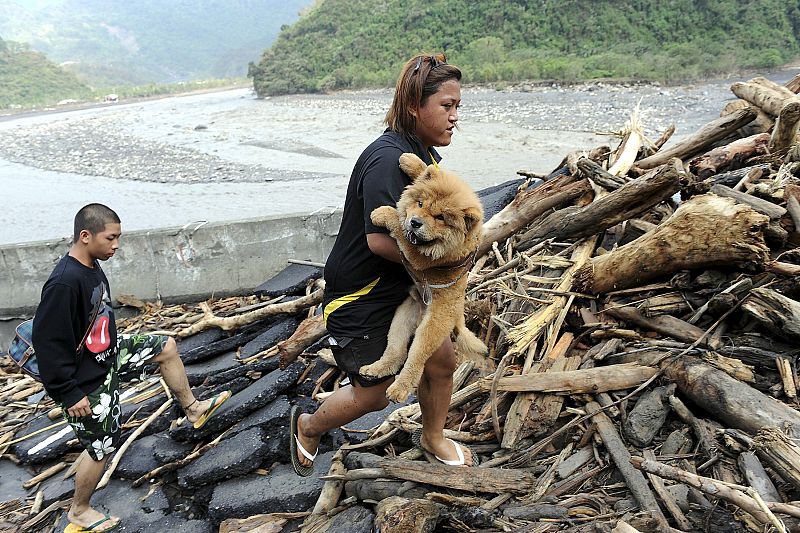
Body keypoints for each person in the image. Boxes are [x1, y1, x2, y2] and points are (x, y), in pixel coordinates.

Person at [290, 52, 475, 476]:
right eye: (446, 107)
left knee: (442, 360)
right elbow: (378, 240)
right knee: (372, 394)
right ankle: (308, 426)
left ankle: (432, 436)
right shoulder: (387, 160)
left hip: (404, 285)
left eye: (457, 107)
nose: (454, 117)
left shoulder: (421, 155)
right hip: (362, 292)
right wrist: (445, 263)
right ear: (414, 106)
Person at [32, 203, 231, 533]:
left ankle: (194, 410)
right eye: (111, 238)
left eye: (118, 237)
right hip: (85, 378)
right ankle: (79, 510)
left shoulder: (91, 265)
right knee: (102, 447)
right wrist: (69, 393)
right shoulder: (64, 282)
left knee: (165, 348)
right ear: (86, 236)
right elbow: (47, 342)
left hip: (108, 354)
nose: (116, 245)